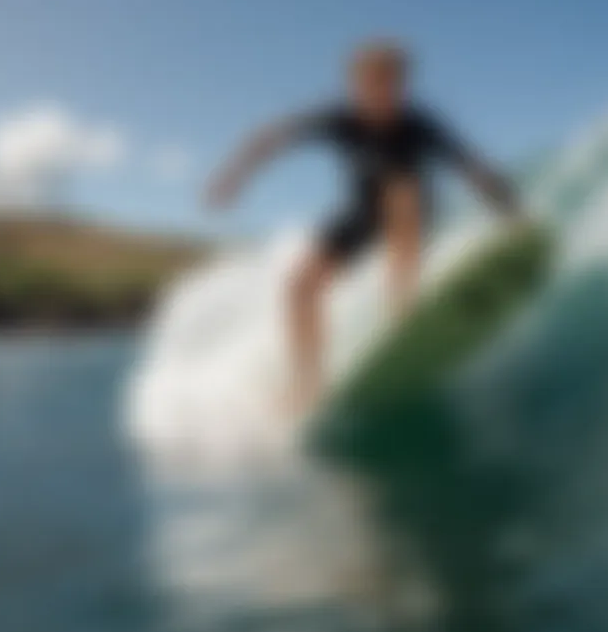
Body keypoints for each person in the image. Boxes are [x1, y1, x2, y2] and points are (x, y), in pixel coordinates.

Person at [206, 40, 519, 410]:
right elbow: (272, 137)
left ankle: (404, 315)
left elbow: (472, 167)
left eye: (392, 84)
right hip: (360, 214)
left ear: (403, 86)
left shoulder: (421, 125)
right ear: (357, 86)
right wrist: (233, 176)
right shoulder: (339, 120)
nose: (383, 93)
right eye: (373, 84)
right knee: (299, 287)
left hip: (413, 210)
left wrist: (510, 213)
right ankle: (308, 381)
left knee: (400, 192)